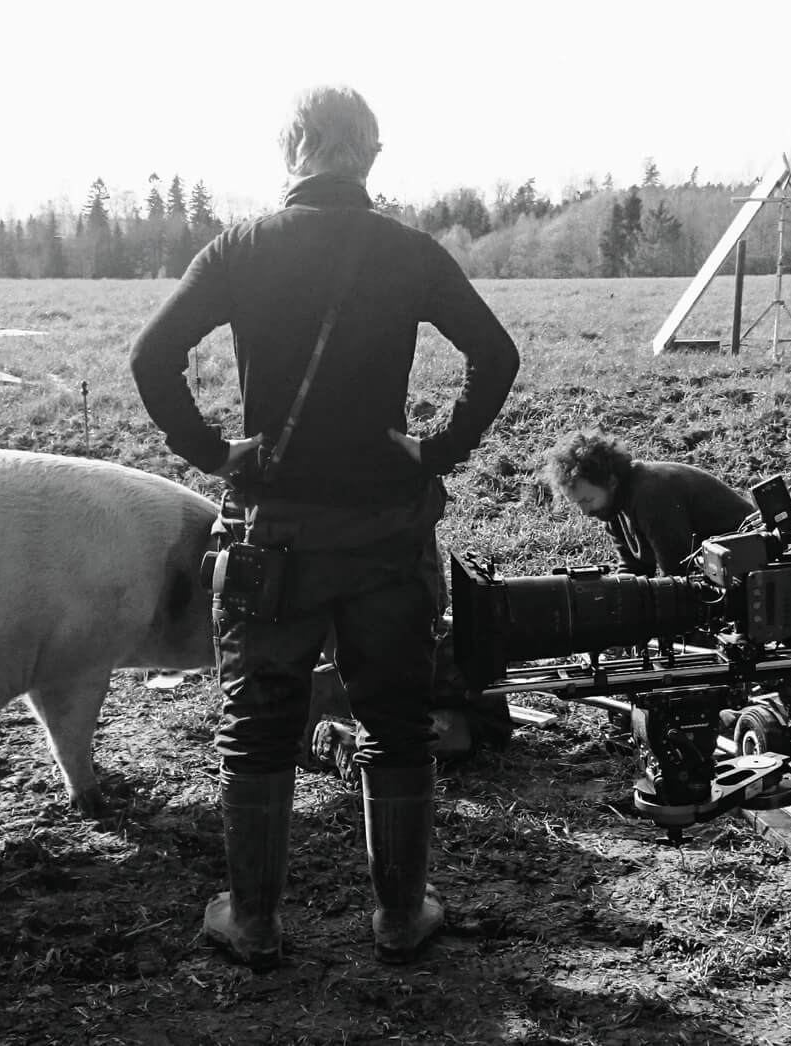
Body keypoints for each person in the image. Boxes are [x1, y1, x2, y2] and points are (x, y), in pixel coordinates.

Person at [130, 85, 519, 971]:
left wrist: (217, 452)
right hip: (387, 533)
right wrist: (438, 448)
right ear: (371, 155)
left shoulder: (238, 250)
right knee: (396, 723)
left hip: (273, 538)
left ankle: (256, 924)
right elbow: (496, 356)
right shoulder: (410, 252)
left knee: (258, 727)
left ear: (292, 150)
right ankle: (399, 917)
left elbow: (151, 357)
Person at [543, 431, 755, 577]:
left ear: (611, 481)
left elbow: (677, 575)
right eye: (577, 503)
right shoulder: (612, 508)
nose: (585, 512)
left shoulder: (651, 496)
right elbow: (634, 568)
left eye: (587, 500)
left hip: (749, 564)